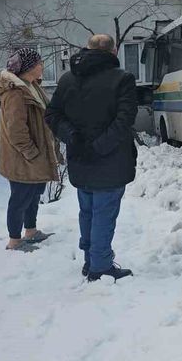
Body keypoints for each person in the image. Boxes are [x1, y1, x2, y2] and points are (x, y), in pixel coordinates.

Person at [46, 34, 138, 281]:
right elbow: (124, 120)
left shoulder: (67, 79)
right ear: (114, 51)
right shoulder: (123, 79)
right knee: (103, 215)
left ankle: (91, 261)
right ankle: (100, 266)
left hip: (80, 159)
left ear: (86, 49)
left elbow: (52, 115)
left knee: (87, 212)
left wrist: (72, 137)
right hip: (110, 160)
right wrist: (99, 146)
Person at [0, 48, 61, 252]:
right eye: (39, 63)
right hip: (23, 157)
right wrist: (31, 152)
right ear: (29, 67)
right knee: (20, 197)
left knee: (33, 194)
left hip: (36, 154)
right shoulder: (16, 93)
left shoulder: (31, 86)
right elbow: (16, 129)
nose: (42, 66)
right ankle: (14, 241)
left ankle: (30, 231)